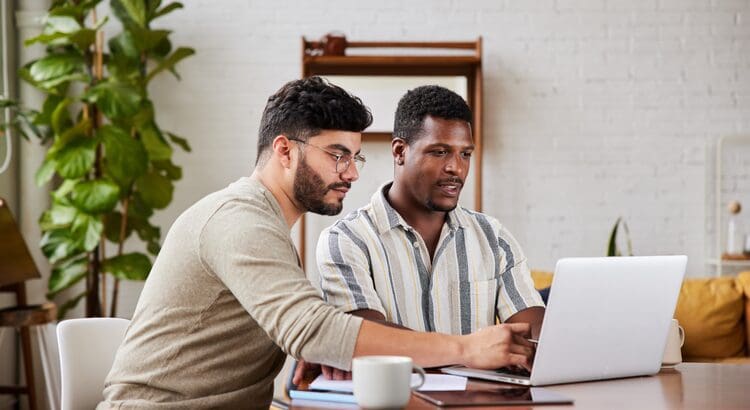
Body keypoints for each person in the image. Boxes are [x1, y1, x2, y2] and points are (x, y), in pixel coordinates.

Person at [99, 77, 537, 409]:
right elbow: (310, 329)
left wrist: (316, 356)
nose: (352, 173)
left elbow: (297, 331)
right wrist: (466, 348)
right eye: (337, 155)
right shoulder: (238, 220)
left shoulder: (265, 224)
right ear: (285, 151)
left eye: (355, 156)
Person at [303, 85, 545, 380]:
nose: (456, 168)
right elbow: (366, 343)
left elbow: (536, 339)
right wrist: (470, 350)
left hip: (479, 402)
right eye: (440, 152)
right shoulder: (346, 241)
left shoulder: (494, 239)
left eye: (465, 154)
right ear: (400, 151)